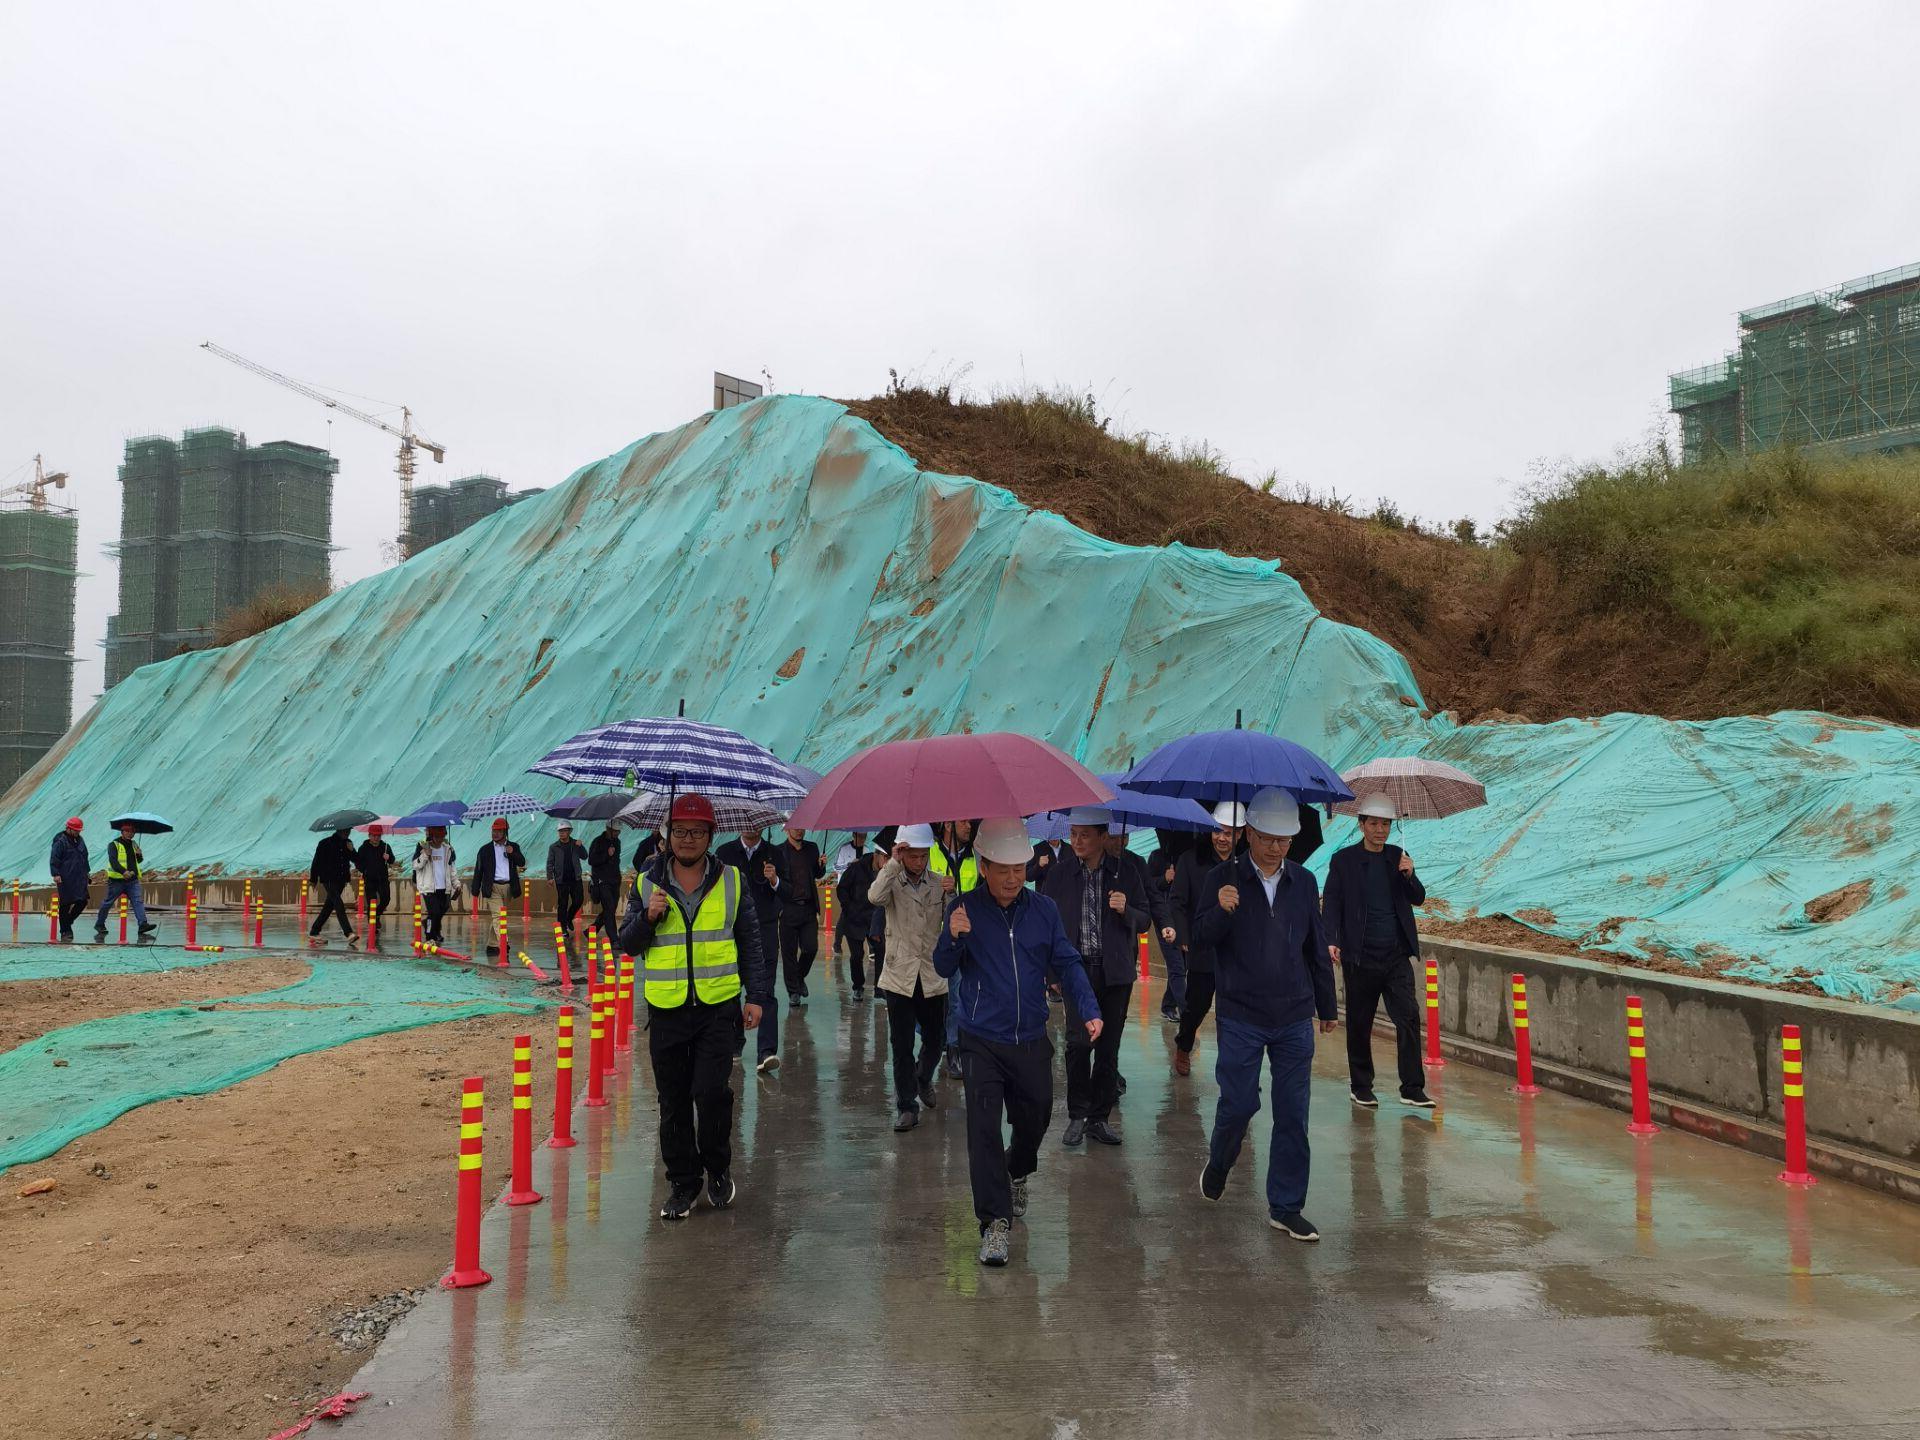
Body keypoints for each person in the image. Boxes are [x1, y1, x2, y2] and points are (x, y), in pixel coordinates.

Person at [934, 817, 1102, 1267]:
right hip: (981, 1040)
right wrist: (953, 937)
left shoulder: (1043, 911)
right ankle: (993, 1224)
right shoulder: (963, 909)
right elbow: (943, 967)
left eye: (1019, 868)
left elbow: (1066, 963)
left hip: (1030, 1038)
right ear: (984, 866)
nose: (1012, 877)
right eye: (1002, 868)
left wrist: (1087, 1008)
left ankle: (1018, 1169)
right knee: (982, 1130)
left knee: (1038, 1116)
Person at [618, 793, 774, 1221]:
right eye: (681, 831)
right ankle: (683, 1183)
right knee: (673, 1101)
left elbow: (750, 941)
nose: (689, 839)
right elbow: (625, 944)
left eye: (698, 831)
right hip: (666, 1008)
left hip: (717, 1007)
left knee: (711, 1093)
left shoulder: (733, 880)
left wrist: (756, 995)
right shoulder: (647, 882)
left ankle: (718, 1168)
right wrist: (646, 918)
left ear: (711, 835)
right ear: (667, 834)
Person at [1194, 788, 1337, 1242]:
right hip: (1241, 1013)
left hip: (1293, 1014)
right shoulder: (1223, 878)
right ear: (1250, 834)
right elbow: (1200, 939)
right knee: (1238, 1104)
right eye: (1269, 838)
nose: (1277, 847)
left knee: (1293, 1113)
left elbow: (1315, 945)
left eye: (1286, 840)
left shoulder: (1304, 882)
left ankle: (1286, 1205)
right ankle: (1220, 1161)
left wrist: (1326, 1005)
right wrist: (1221, 910)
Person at [1041, 810, 1147, 1147]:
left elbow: (1145, 920)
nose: (1077, 841)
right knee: (1077, 1044)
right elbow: (1047, 926)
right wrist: (1052, 972)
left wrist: (1126, 910)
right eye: (1074, 834)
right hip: (1077, 972)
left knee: (1108, 1048)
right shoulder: (1059, 876)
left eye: (1085, 835)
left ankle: (1099, 1118)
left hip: (1115, 973)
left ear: (1104, 836)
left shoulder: (1126, 872)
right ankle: (1077, 1115)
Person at [1322, 794, 1432, 1109]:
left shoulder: (1398, 856)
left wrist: (1410, 875)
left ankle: (1412, 1088)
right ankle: (1361, 1086)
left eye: (1385, 824)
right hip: (1360, 955)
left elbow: (1419, 898)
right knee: (1360, 1022)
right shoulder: (1343, 860)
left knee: (1408, 1016)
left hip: (1395, 954)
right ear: (1361, 825)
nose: (1380, 830)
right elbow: (1332, 901)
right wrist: (1331, 938)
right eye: (1374, 823)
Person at [868, 824, 947, 1131]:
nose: (918, 861)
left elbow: (953, 924)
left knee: (936, 1038)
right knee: (900, 1044)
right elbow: (874, 897)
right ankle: (906, 1106)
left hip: (930, 972)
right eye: (912, 855)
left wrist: (952, 894)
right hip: (899, 974)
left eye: (923, 855)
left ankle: (923, 1077)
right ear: (902, 853)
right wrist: (892, 863)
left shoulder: (940, 883)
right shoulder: (892, 881)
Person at [1170, 803, 1243, 1076]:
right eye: (1218, 832)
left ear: (1242, 834)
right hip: (1203, 947)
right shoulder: (1191, 860)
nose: (1223, 838)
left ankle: (1236, 1066)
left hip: (1238, 951)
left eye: (1230, 833)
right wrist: (1185, 936)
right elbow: (1177, 902)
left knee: (1235, 1012)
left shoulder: (1246, 864)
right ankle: (1183, 1045)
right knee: (1196, 1006)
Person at [715, 826, 783, 1074]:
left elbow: (788, 893)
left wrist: (774, 881)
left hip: (764, 932)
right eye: (746, 825)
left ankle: (766, 1051)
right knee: (732, 989)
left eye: (756, 825)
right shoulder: (724, 853)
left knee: (766, 991)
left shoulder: (774, 854)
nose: (751, 829)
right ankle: (734, 1043)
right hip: (731, 932)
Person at [932, 819, 980, 1075]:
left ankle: (954, 1048)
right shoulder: (929, 852)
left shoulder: (975, 855)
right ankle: (937, 1042)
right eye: (962, 822)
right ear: (948, 825)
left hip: (964, 936)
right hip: (935, 936)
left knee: (957, 997)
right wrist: (939, 886)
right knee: (935, 999)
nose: (968, 826)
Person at [772, 825, 824, 1006]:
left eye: (802, 827)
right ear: (786, 830)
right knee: (789, 953)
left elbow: (818, 874)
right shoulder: (778, 852)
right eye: (795, 827)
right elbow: (774, 882)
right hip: (788, 908)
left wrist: (822, 865)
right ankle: (793, 991)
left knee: (810, 948)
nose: (799, 831)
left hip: (808, 907)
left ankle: (799, 977)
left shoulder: (812, 848)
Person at [1145, 830, 1188, 1022]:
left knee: (1182, 966)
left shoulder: (1185, 857)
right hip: (1164, 920)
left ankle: (1168, 1005)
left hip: (1183, 918)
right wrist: (1166, 879)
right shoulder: (1155, 857)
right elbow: (1149, 886)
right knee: (1176, 966)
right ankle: (1186, 1011)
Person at [93, 819, 155, 940]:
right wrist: (123, 872)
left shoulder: (134, 844)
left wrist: (139, 854)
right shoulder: (113, 845)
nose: (130, 833)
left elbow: (139, 861)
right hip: (117, 881)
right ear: (122, 832)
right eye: (127, 831)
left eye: (132, 831)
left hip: (132, 880)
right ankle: (99, 924)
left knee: (137, 901)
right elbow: (113, 861)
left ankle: (143, 924)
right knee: (108, 903)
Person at [834, 845, 881, 1001]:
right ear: (876, 855)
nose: (887, 862)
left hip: (875, 919)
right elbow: (842, 889)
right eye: (885, 858)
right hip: (854, 919)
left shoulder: (887, 872)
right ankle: (858, 986)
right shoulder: (856, 867)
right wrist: (849, 907)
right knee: (856, 955)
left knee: (881, 952)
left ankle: (880, 988)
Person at [307, 826, 359, 945]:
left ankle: (314, 931)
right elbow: (316, 862)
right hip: (328, 878)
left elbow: (356, 859)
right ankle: (348, 933)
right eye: (345, 830)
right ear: (338, 830)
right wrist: (313, 879)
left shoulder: (348, 844)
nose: (347, 833)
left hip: (341, 879)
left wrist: (352, 851)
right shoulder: (325, 843)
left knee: (329, 906)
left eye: (349, 830)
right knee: (338, 903)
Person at [412, 824, 457, 943]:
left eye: (441, 836)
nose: (438, 839)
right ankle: (429, 935)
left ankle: (433, 930)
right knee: (434, 913)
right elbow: (416, 865)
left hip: (444, 887)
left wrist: (456, 884)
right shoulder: (422, 847)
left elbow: (452, 868)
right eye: (436, 836)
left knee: (441, 911)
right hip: (429, 888)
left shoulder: (448, 849)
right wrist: (425, 854)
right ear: (431, 835)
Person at [49, 816, 89, 942]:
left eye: (79, 831)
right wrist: (55, 874)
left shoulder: (80, 840)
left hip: (79, 876)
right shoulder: (60, 841)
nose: (78, 832)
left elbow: (85, 856)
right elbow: (54, 858)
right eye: (76, 830)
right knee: (65, 904)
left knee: (83, 901)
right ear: (69, 828)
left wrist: (87, 872)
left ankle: (68, 921)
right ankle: (65, 931)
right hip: (65, 877)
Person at [471, 819, 527, 908]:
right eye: (493, 831)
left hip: (508, 887)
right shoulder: (485, 850)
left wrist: (512, 853)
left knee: (502, 916)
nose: (495, 833)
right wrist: (475, 890)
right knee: (498, 914)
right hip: (492, 887)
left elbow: (521, 862)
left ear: (505, 832)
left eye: (499, 831)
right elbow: (478, 870)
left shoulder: (513, 847)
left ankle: (497, 922)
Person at [546, 820, 588, 935]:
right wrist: (550, 877)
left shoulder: (575, 844)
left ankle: (569, 918)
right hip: (561, 880)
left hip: (575, 879)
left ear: (569, 831)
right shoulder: (554, 847)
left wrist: (581, 846)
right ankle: (562, 928)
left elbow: (585, 856)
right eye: (560, 831)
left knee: (578, 900)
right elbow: (550, 863)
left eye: (564, 831)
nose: (561, 833)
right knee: (562, 904)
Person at [355, 825, 396, 938]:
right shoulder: (363, 848)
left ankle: (376, 915)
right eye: (374, 836)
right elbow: (358, 863)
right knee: (371, 902)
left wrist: (388, 858)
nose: (376, 838)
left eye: (378, 836)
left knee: (386, 899)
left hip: (382, 878)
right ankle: (372, 925)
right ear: (369, 835)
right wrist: (365, 870)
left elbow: (392, 860)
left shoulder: (385, 847)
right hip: (369, 879)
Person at [588, 820, 624, 936]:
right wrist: (606, 855)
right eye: (614, 831)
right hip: (602, 881)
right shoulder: (597, 842)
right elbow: (591, 860)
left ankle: (591, 931)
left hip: (615, 880)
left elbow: (615, 861)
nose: (617, 834)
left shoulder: (617, 842)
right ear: (608, 829)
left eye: (618, 831)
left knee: (611, 908)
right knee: (609, 909)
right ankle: (614, 939)